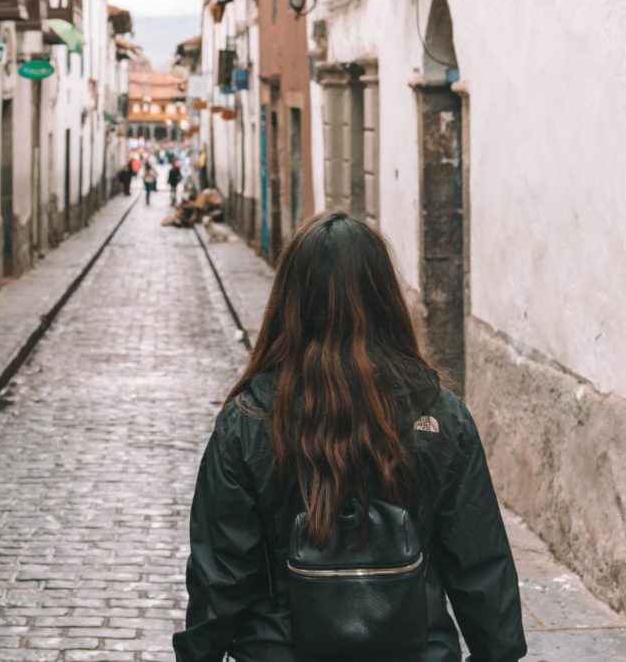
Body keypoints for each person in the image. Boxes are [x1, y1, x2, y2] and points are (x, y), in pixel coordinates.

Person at [173, 212, 526, 662]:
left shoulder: (246, 422)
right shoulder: (441, 417)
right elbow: (480, 567)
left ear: (288, 303)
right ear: (386, 300)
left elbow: (220, 576)